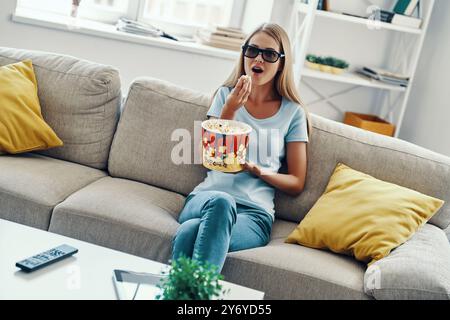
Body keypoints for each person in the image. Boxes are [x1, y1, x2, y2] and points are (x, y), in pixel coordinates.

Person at [172, 23, 310, 272]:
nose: (258, 58)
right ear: (244, 54)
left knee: (190, 231)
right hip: (206, 199)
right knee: (222, 202)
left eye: (269, 54)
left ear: (281, 63)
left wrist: (258, 171)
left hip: (254, 213)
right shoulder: (226, 96)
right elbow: (211, 157)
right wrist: (230, 110)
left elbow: (296, 182)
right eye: (252, 50)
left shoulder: (293, 113)